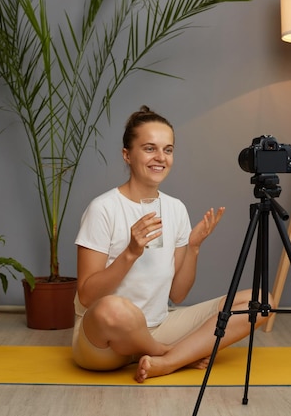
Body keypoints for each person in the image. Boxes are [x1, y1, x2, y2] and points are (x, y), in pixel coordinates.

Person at [72, 105, 270, 383]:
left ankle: (165, 363)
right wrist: (130, 253)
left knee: (261, 301)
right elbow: (87, 297)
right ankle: (174, 355)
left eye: (168, 149)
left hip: (158, 326)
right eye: (150, 148)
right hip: (103, 343)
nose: (160, 158)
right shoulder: (103, 208)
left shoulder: (175, 209)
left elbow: (178, 295)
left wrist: (193, 248)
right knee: (113, 308)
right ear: (127, 155)